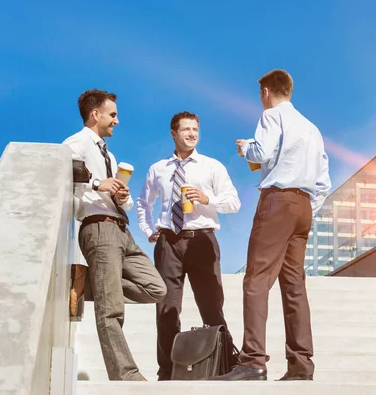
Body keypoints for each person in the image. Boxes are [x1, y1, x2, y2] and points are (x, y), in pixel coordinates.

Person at [211, 69, 331, 381]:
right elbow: (323, 182)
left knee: (256, 280)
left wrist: (245, 148)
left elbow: (261, 152)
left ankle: (253, 361)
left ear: (266, 92)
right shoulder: (312, 129)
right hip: (303, 206)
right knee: (294, 288)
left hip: (277, 202)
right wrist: (303, 207)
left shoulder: (271, 117)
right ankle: (301, 366)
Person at [63, 89, 167, 381]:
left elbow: (122, 197)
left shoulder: (110, 154)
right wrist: (99, 183)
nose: (117, 121)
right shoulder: (77, 142)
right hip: (98, 227)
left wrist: (123, 197)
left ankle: (87, 282)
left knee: (155, 288)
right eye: (113, 114)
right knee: (111, 310)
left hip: (122, 230)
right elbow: (65, 170)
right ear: (96, 114)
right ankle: (126, 374)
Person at [136, 111, 241, 381]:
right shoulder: (158, 169)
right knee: (167, 310)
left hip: (203, 240)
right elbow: (142, 204)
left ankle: (226, 365)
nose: (192, 134)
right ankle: (169, 371)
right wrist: (149, 231)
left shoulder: (211, 166)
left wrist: (207, 198)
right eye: (186, 129)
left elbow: (233, 202)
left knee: (212, 307)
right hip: (168, 242)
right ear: (174, 133)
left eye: (195, 129)